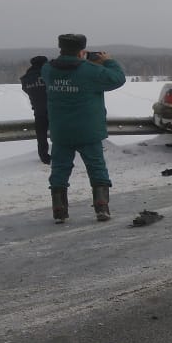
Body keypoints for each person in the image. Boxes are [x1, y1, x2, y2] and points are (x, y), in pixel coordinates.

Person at [42, 34, 126, 223]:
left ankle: (59, 209)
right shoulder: (90, 70)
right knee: (96, 167)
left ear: (60, 48)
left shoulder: (48, 70)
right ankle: (101, 207)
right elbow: (118, 79)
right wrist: (108, 62)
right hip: (89, 130)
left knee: (60, 169)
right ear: (82, 51)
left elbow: (56, 72)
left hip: (61, 130)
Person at [19, 55, 51, 164]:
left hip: (38, 110)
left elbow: (25, 89)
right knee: (58, 134)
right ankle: (60, 155)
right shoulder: (48, 74)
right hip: (53, 109)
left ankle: (44, 157)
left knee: (41, 135)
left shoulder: (26, 78)